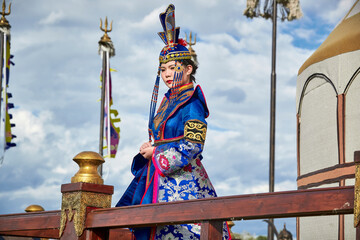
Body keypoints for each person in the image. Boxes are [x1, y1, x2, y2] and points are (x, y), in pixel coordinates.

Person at [116, 4, 231, 240]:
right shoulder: (169, 100)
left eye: (173, 68)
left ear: (188, 69)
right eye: (163, 70)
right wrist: (150, 148)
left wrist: (156, 154)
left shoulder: (192, 101)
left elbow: (193, 145)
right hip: (156, 178)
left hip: (183, 182)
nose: (167, 74)